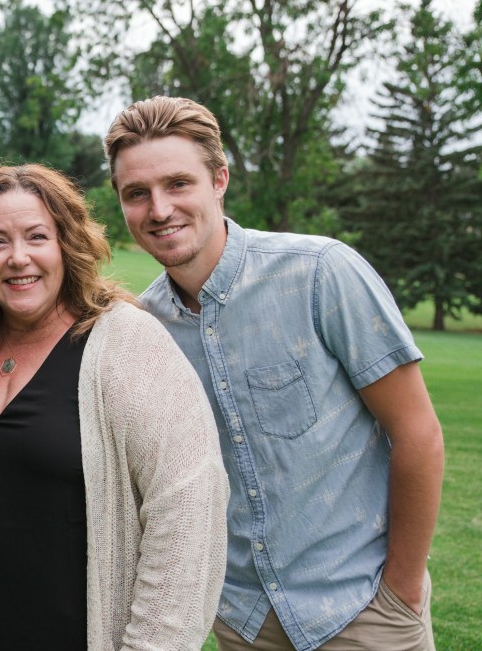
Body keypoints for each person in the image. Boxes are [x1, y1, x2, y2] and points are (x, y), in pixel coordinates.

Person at [104, 96, 445, 650]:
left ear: (219, 180)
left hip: (361, 608)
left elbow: (418, 433)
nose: (159, 209)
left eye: (178, 184)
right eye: (136, 193)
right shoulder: (145, 328)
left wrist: (400, 592)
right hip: (243, 620)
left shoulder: (321, 274)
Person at [0, 164, 229, 650]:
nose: (18, 258)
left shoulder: (127, 342)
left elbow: (187, 509)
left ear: (67, 244)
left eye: (37, 237)